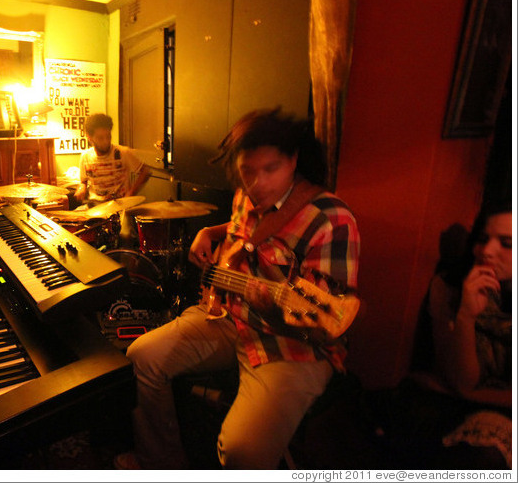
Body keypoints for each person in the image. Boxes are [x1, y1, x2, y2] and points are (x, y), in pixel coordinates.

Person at [115, 107, 361, 469]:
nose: (256, 183)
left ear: (293, 161)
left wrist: (272, 304)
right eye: (247, 171)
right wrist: (210, 233)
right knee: (142, 356)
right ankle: (162, 461)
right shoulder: (246, 196)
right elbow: (242, 231)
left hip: (292, 346)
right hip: (229, 316)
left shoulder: (332, 220)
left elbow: (324, 327)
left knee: (242, 452)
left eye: (270, 170)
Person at [371, 201, 512, 469]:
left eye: (507, 243)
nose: (487, 251)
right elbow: (460, 377)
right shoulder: (450, 287)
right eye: (483, 239)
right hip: (455, 406)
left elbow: (463, 388)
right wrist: (466, 316)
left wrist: (469, 394)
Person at [73, 113, 151, 205]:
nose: (106, 141)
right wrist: (81, 188)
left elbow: (145, 171)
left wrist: (131, 192)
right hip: (95, 207)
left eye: (108, 136)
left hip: (119, 206)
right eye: (100, 138)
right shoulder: (85, 156)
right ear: (89, 138)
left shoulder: (123, 152)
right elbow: (83, 181)